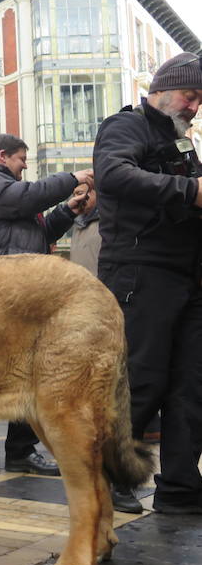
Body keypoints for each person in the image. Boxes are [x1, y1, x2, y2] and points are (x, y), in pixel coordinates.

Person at [93, 52, 202, 515]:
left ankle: (179, 487)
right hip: (140, 270)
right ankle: (112, 477)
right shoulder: (125, 127)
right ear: (163, 88)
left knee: (191, 384)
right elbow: (113, 174)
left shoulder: (183, 142)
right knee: (141, 379)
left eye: (200, 100)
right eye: (190, 95)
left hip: (189, 276)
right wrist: (190, 191)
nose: (195, 107)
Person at [0, 134, 93, 476]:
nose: (25, 166)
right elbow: (24, 198)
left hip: (22, 287)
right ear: (2, 156)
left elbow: (39, 235)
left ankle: (20, 451)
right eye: (21, 159)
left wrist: (66, 211)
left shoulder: (8, 196)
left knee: (29, 371)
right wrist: (73, 178)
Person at [68, 183, 99, 276]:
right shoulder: (77, 223)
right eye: (74, 195)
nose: (76, 198)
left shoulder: (107, 223)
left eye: (80, 193)